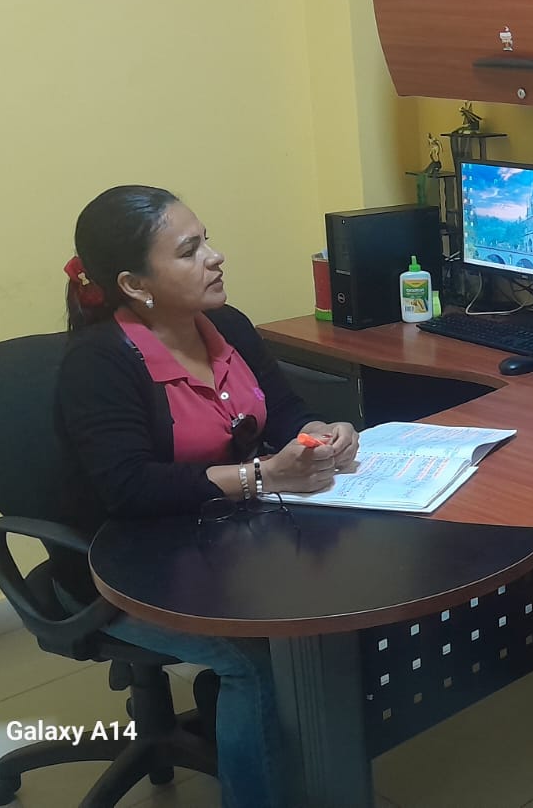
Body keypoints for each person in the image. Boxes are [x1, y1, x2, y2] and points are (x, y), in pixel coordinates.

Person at [55, 185, 361, 808]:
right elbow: (129, 488)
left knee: (337, 595)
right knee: (253, 660)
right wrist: (262, 477)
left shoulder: (227, 325)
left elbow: (283, 411)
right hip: (124, 565)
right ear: (135, 284)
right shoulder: (100, 362)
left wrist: (321, 432)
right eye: (189, 251)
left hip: (223, 537)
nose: (215, 257)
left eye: (207, 241)